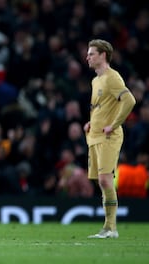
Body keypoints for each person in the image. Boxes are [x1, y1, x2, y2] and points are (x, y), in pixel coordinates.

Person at [84, 39, 136, 239]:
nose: (87, 57)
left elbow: (129, 100)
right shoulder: (95, 80)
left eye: (91, 54)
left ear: (102, 55)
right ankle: (108, 227)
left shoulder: (112, 77)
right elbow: (98, 107)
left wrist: (114, 124)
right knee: (101, 182)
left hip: (109, 136)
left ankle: (111, 228)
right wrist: (90, 123)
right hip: (95, 136)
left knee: (106, 180)